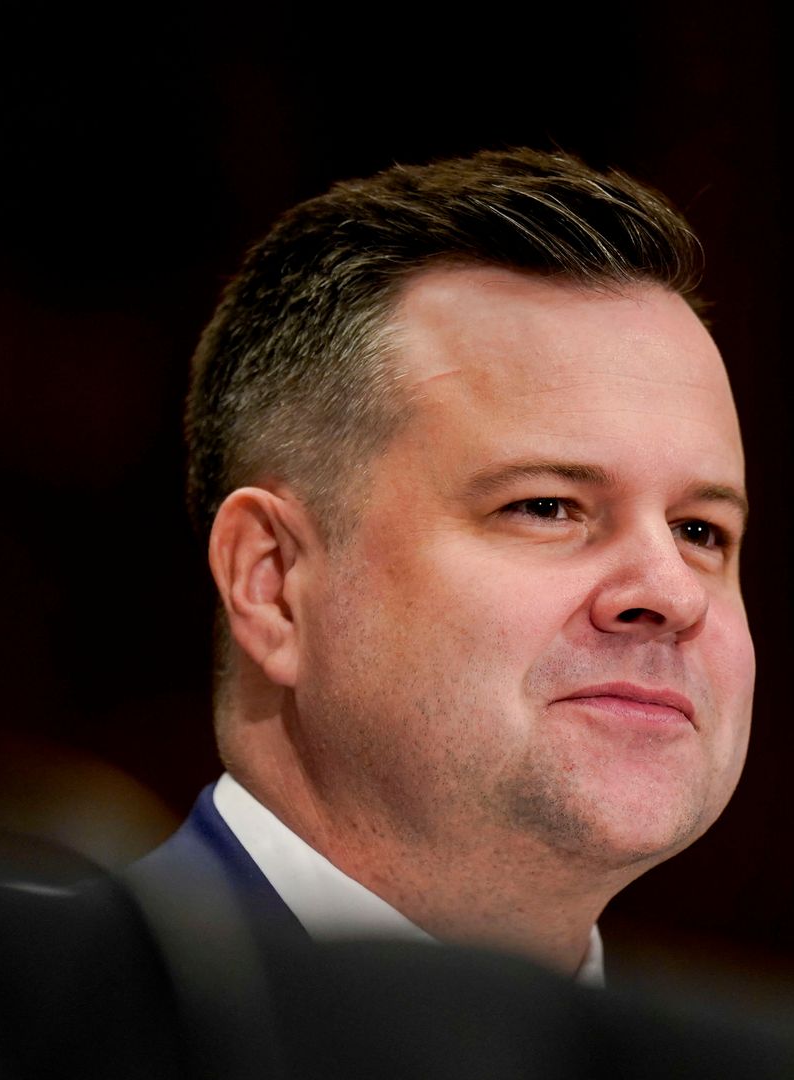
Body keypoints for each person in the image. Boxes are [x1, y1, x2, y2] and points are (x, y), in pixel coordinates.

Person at [129, 148, 755, 986]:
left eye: (702, 530)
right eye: (546, 507)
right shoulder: (16, 1034)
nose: (671, 593)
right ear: (272, 584)